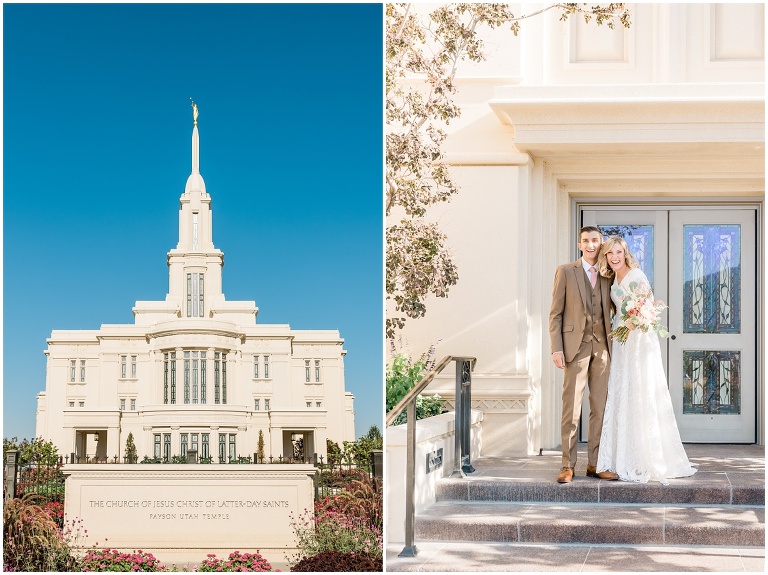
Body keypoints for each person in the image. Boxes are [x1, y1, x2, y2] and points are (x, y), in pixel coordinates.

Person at [596, 236, 697, 484]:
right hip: (621, 339)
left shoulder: (636, 275)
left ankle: (644, 456)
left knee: (639, 389)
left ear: (625, 253)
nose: (615, 257)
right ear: (606, 257)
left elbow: (647, 308)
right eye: (610, 253)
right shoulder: (612, 278)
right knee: (622, 391)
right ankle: (621, 454)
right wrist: (624, 323)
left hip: (638, 339)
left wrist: (635, 320)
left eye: (618, 252)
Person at [549, 226, 619, 483]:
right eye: (586, 241)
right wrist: (557, 347)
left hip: (602, 347)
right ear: (580, 244)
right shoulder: (566, 271)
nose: (591, 245)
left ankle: (595, 464)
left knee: (599, 407)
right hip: (574, 347)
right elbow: (555, 314)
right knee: (572, 406)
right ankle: (567, 465)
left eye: (595, 241)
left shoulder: (608, 273)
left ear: (601, 244)